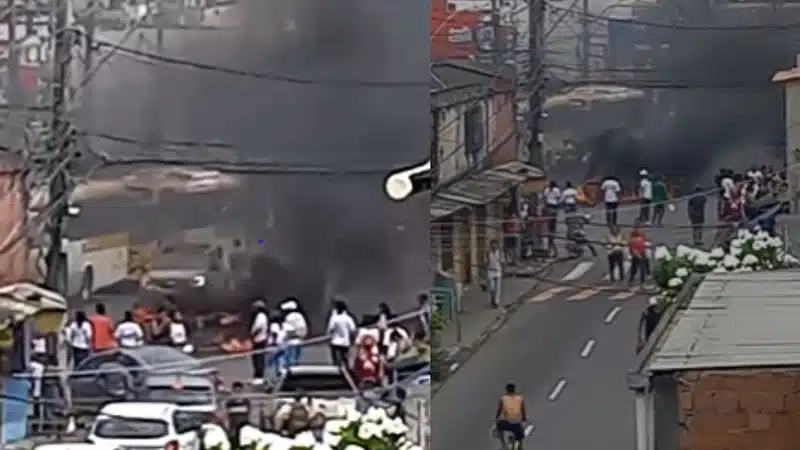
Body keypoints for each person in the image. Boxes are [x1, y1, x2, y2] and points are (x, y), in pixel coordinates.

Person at [495, 383, 527, 449]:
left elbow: (499, 410)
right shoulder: (520, 398)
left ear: (506, 390)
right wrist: (524, 418)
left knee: (498, 425)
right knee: (520, 439)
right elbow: (523, 410)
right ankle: (519, 447)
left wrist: (496, 418)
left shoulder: (503, 399)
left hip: (507, 424)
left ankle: (503, 443)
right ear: (514, 390)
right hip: (517, 425)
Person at [327, 299, 356, 366]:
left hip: (335, 342)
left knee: (336, 361)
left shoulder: (334, 318)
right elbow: (353, 329)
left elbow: (330, 329)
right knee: (345, 359)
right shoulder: (348, 318)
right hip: (345, 342)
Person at [280, 298, 308, 367]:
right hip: (298, 341)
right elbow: (304, 328)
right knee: (295, 359)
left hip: (290, 342)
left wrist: (284, 338)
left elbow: (288, 330)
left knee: (289, 360)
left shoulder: (289, 317)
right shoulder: (300, 316)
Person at [250, 300, 270, 385]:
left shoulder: (260, 316)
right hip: (261, 339)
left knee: (258, 359)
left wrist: (253, 335)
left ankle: (259, 377)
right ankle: (258, 376)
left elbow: (258, 327)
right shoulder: (262, 316)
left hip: (259, 339)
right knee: (258, 358)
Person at [543, 181, 561, 254]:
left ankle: (550, 231)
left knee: (550, 221)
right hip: (552, 206)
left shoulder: (548, 190)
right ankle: (551, 231)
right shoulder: (555, 190)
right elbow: (558, 198)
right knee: (552, 221)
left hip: (550, 206)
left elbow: (545, 198)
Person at [486, 239, 504, 308]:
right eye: (492, 244)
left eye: (495, 244)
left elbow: (502, 262)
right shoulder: (488, 252)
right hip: (490, 271)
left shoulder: (500, 253)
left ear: (497, 245)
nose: (494, 246)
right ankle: (492, 298)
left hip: (498, 271)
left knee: (498, 288)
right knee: (491, 288)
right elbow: (486, 262)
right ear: (491, 245)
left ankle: (496, 302)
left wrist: (503, 270)